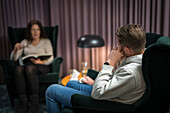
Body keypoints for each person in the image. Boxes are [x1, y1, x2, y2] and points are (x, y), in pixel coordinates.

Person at [45, 24, 146, 113]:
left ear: (128, 50)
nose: (117, 48)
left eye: (119, 46)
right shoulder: (137, 57)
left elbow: (97, 93)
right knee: (70, 83)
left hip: (107, 103)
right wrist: (94, 83)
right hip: (111, 94)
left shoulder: (130, 72)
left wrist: (110, 62)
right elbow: (117, 83)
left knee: (51, 90)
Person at [10, 20, 54, 113]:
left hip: (42, 66)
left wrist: (41, 62)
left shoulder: (46, 41)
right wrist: (15, 49)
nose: (35, 32)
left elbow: (51, 58)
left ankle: (34, 103)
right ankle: (24, 103)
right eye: (33, 30)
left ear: (40, 31)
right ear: (29, 31)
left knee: (29, 69)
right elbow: (13, 59)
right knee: (18, 69)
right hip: (28, 65)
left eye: (37, 30)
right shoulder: (25, 42)